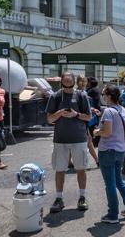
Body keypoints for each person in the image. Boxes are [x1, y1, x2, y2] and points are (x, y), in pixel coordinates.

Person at [46, 72, 92, 213]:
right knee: (60, 170)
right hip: (60, 140)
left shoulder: (81, 96)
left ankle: (82, 197)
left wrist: (76, 114)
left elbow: (89, 117)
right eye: (65, 81)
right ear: (61, 81)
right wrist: (59, 113)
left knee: (81, 169)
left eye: (69, 80)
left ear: (73, 81)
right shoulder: (55, 96)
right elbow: (49, 120)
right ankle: (59, 198)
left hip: (79, 139)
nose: (67, 83)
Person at [93, 85, 125, 224]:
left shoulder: (108, 111)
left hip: (108, 150)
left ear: (109, 95)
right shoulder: (122, 109)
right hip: (120, 150)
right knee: (119, 181)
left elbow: (106, 133)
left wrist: (97, 132)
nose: (103, 96)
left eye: (104, 94)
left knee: (110, 184)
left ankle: (113, 214)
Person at [76, 75, 99, 168]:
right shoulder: (76, 93)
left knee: (88, 141)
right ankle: (97, 161)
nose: (83, 83)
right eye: (81, 81)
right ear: (77, 82)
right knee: (88, 141)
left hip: (84, 120)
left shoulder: (84, 92)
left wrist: (92, 109)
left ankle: (70, 162)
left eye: (84, 81)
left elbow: (87, 106)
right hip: (78, 121)